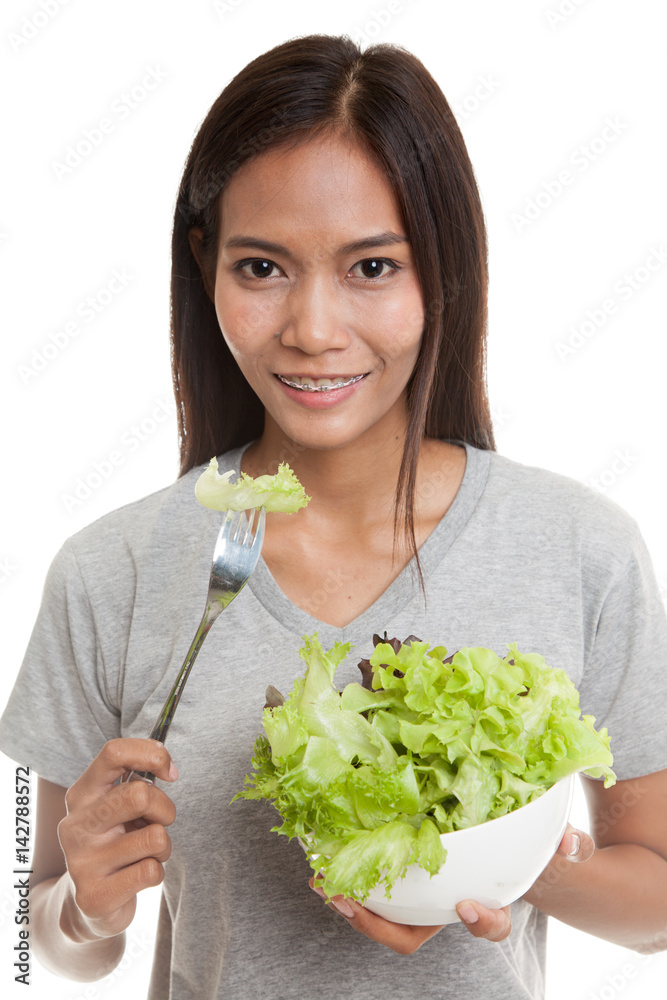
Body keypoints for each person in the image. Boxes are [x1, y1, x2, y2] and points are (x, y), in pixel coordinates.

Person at [2, 33, 667, 1000]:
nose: (313, 330)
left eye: (372, 267)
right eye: (262, 267)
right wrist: (82, 910)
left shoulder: (578, 549)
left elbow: (656, 910)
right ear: (205, 263)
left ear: (442, 271)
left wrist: (499, 860)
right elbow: (31, 938)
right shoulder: (113, 571)